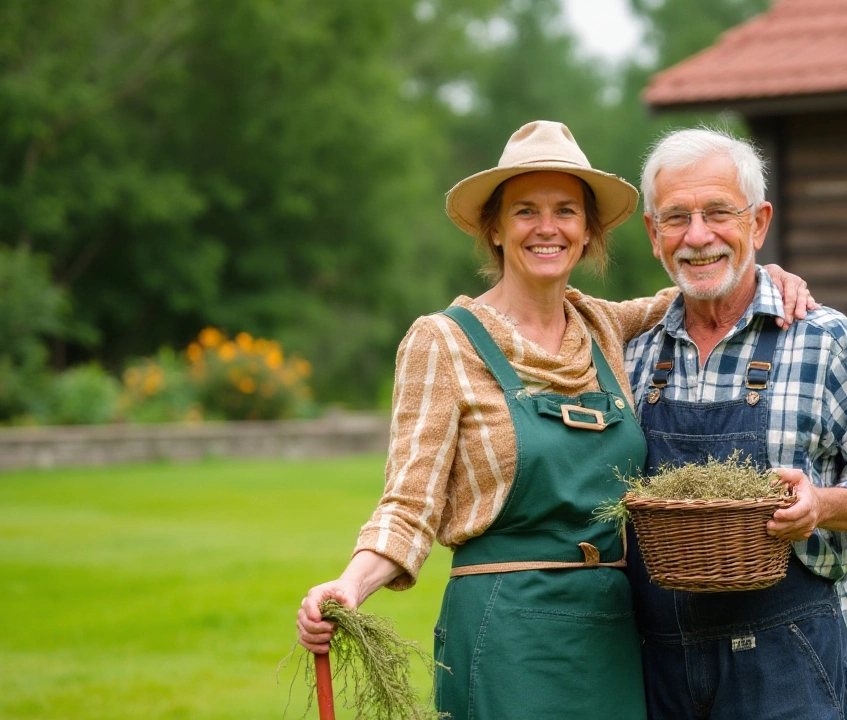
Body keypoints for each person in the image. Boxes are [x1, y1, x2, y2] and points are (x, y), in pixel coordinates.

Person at [294, 120, 815, 720]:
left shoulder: (604, 327)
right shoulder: (443, 342)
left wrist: (768, 277)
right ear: (494, 227)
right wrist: (350, 585)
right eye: (525, 211)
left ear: (588, 229)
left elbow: (704, 283)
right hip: (506, 631)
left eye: (566, 210)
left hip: (612, 632)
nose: (548, 228)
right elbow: (408, 505)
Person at [623, 127, 847, 719]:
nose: (698, 236)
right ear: (652, 233)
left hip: (786, 661)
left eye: (719, 213)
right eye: (676, 218)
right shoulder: (631, 352)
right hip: (654, 664)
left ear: (758, 223)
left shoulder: (822, 338)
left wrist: (821, 505)